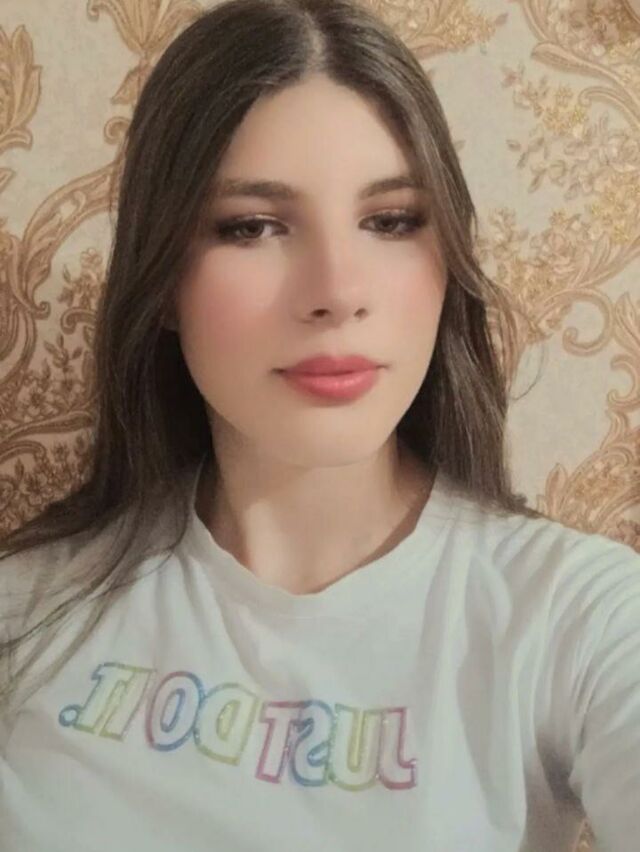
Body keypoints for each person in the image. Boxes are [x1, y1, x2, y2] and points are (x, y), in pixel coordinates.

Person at [0, 1, 638, 850]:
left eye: (391, 221)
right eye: (252, 226)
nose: (337, 290)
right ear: (162, 283)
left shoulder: (580, 618)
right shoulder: (29, 613)